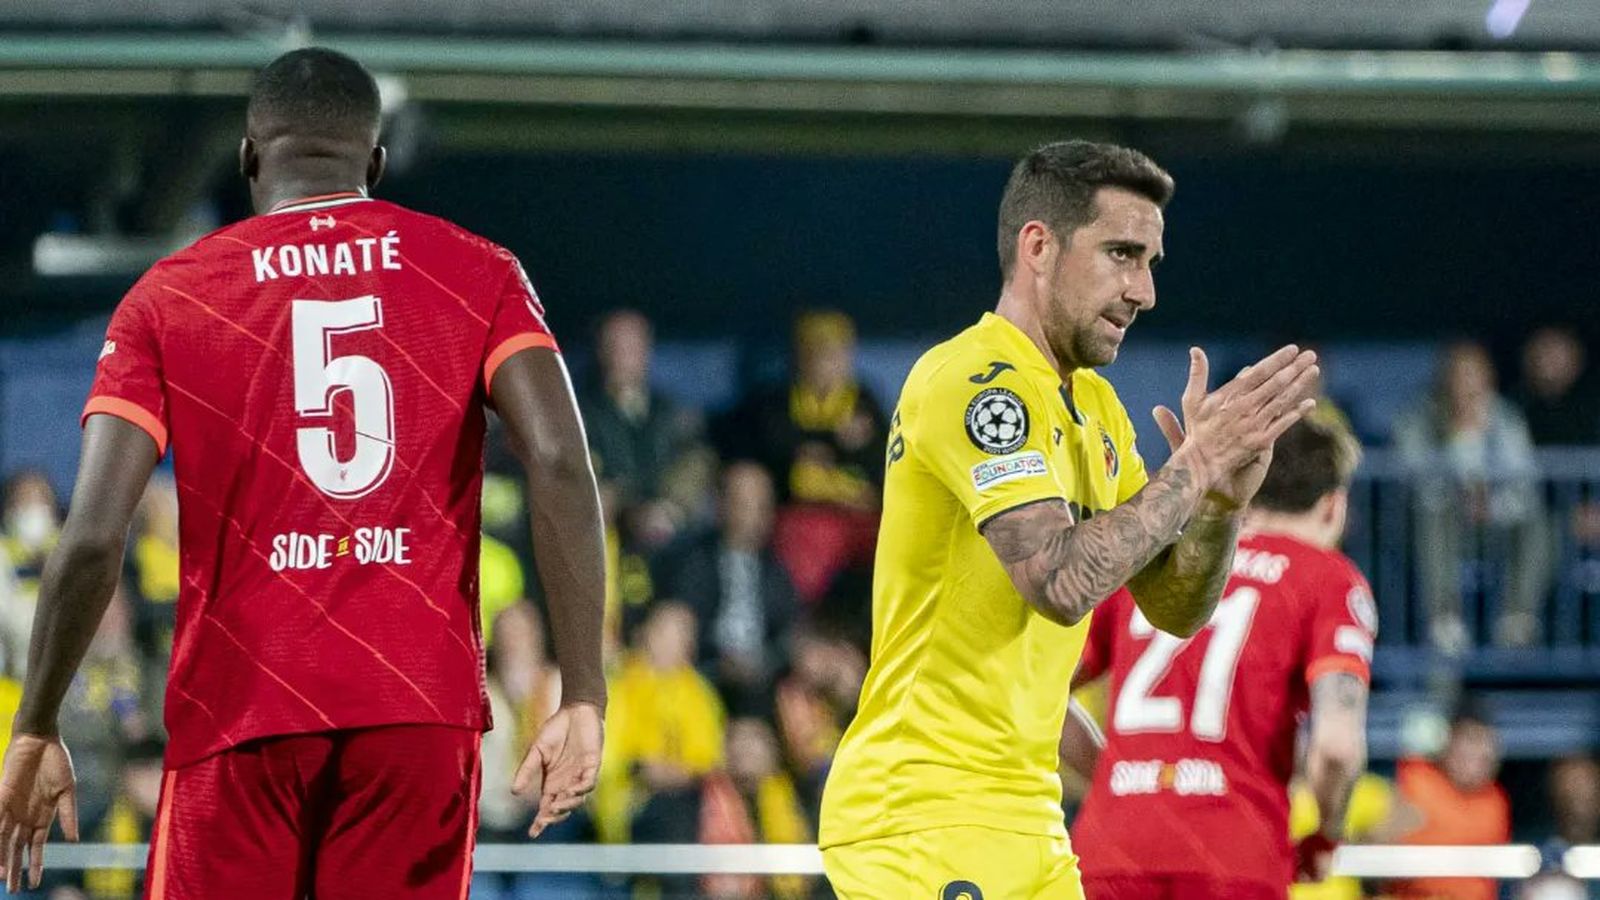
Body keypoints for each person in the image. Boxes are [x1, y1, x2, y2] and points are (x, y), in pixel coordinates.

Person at [0, 48, 607, 898]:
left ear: (249, 157)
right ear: (377, 161)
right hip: (415, 708)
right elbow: (557, 462)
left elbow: (96, 536)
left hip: (240, 708)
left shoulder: (171, 296)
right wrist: (582, 691)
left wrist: (36, 723)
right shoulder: (479, 270)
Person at [818, 139, 1321, 899]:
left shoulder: (1097, 411)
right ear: (1039, 247)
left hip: (1029, 820)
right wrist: (1192, 468)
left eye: (1151, 262)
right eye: (1122, 254)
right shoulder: (977, 382)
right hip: (923, 811)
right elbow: (1056, 578)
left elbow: (1175, 607)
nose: (1144, 290)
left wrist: (1221, 503)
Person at [1066, 415, 1377, 899]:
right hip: (1233, 854)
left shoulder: (1157, 565)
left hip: (1111, 849)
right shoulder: (1328, 579)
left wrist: (1115, 773)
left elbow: (1039, 693)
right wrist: (1327, 832)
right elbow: (1337, 746)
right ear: (1334, 506)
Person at [1394, 341, 1552, 651]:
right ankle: (1445, 619)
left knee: (1540, 525)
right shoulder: (1419, 418)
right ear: (1445, 378)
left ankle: (1517, 616)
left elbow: (1524, 480)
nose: (1467, 383)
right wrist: (1458, 439)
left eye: (1475, 374)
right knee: (1433, 519)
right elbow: (1414, 479)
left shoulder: (1505, 418)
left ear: (1488, 378)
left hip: (1497, 523)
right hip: (1444, 521)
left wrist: (1491, 504)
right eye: (1459, 374)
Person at [654, 461, 801, 717]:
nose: (752, 516)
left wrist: (764, 662)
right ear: (721, 505)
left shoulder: (777, 570)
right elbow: (680, 622)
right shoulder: (692, 559)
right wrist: (720, 661)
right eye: (743, 504)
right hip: (704, 674)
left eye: (761, 506)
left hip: (761, 686)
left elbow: (788, 634)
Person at [1391, 706, 1511, 900]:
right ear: (1448, 743)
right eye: (1470, 741)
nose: (1479, 753)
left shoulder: (1496, 802)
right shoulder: (1416, 782)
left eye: (1486, 744)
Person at [1514, 326, 1600, 447]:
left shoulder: (1593, 410)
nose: (1544, 359)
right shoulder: (1509, 407)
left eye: (1554, 354)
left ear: (1577, 360)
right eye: (1540, 350)